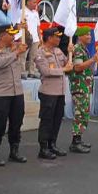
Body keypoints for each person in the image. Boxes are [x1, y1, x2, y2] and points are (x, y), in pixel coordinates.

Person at [0, 25, 29, 166]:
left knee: (17, 122)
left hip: (17, 92)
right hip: (1, 93)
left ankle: (14, 151)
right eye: (10, 34)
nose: (13, 37)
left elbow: (27, 40)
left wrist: (25, 29)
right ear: (2, 35)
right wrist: (15, 53)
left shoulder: (16, 46)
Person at [34, 27, 73, 159]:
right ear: (49, 38)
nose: (59, 39)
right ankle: (43, 147)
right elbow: (46, 71)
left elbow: (68, 65)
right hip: (48, 92)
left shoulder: (58, 51)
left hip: (60, 92)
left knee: (57, 120)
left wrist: (69, 54)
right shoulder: (41, 53)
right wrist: (63, 69)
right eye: (56, 37)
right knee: (47, 120)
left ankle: (52, 144)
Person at [67, 26, 98, 153]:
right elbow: (78, 67)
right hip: (79, 86)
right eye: (86, 35)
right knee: (79, 114)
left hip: (85, 85)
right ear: (80, 36)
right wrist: (92, 60)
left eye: (90, 35)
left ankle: (79, 139)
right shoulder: (78, 49)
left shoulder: (83, 49)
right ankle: (75, 141)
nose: (89, 37)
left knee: (84, 113)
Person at [22, 0, 40, 79]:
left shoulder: (36, 13)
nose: (35, 4)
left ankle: (32, 72)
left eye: (36, 2)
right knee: (23, 55)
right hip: (25, 37)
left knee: (34, 56)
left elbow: (38, 26)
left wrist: (40, 37)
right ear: (28, 2)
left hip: (35, 38)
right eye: (34, 2)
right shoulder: (22, 12)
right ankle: (22, 72)